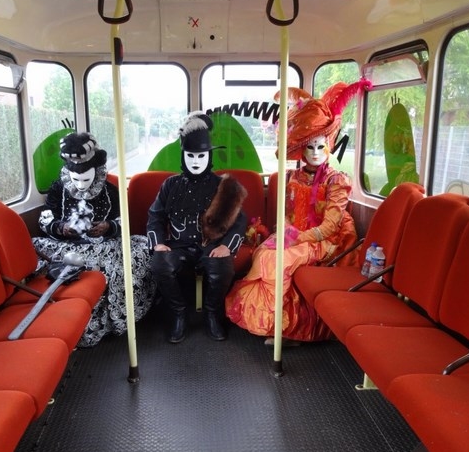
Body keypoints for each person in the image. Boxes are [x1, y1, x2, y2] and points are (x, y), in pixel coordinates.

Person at [225, 79, 372, 343]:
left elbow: (331, 225)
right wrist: (285, 231)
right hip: (298, 232)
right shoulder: (294, 176)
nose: (315, 153)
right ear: (301, 149)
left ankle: (288, 329)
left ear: (329, 145)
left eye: (320, 146)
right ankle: (275, 323)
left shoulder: (336, 180)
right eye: (309, 146)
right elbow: (288, 213)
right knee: (264, 254)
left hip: (328, 240)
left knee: (280, 260)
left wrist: (299, 239)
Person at [32, 131, 156, 347]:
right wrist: (61, 227)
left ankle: (109, 322)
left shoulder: (110, 191)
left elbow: (122, 221)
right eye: (76, 180)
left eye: (86, 180)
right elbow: (46, 219)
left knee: (134, 256)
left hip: (104, 244)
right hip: (66, 245)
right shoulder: (58, 188)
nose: (81, 186)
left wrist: (108, 227)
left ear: (96, 173)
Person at [147, 111, 248, 343]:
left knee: (222, 266)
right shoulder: (170, 185)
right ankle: (179, 313)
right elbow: (155, 216)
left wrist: (226, 247)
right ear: (183, 156)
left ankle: (212, 314)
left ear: (209, 156)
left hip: (211, 245)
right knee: (159, 263)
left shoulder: (223, 186)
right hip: (178, 246)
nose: (195, 161)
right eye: (190, 156)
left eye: (201, 156)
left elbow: (239, 221)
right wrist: (158, 243)